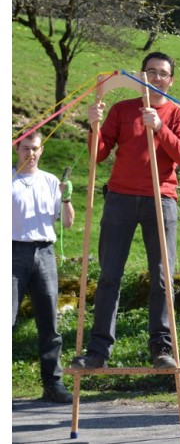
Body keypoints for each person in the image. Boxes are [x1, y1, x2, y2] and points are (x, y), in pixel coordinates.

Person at [71, 51, 180, 370]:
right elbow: (97, 156)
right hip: (120, 198)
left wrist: (159, 128)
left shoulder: (179, 114)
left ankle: (161, 348)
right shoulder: (122, 109)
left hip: (161, 198)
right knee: (110, 274)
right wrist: (94, 126)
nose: (155, 78)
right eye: (150, 72)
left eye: (162, 73)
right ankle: (98, 351)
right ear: (141, 76)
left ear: (171, 80)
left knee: (162, 277)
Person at [12, 130, 75, 403]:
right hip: (12, 251)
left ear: (42, 150)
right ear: (17, 149)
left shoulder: (50, 181)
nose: (31, 153)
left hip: (45, 252)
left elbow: (68, 222)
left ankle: (53, 383)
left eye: (35, 148)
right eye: (26, 148)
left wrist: (66, 198)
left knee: (49, 321)